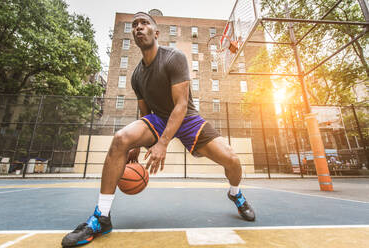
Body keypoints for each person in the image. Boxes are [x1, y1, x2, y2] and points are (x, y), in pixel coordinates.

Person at [61, 12, 255, 247]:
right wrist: (139, 143)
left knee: (232, 160)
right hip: (159, 119)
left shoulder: (174, 58)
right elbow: (145, 114)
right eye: (134, 25)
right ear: (133, 35)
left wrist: (162, 142)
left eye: (144, 23)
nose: (138, 27)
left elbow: (181, 105)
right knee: (121, 139)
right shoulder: (136, 76)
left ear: (156, 32)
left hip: (188, 119)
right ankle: (101, 217)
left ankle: (235, 193)